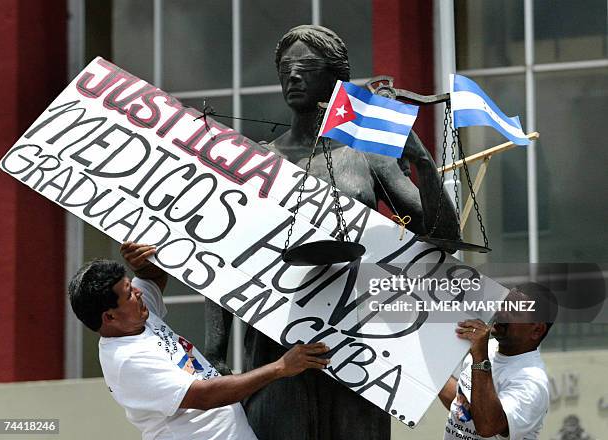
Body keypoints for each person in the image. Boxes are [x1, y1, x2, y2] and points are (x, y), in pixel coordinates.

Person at [205, 24, 460, 440]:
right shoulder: (258, 162)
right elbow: (225, 258)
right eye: (285, 69)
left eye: (306, 67)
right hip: (278, 342)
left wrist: (422, 163)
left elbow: (442, 235)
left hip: (354, 341)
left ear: (336, 78)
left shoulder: (365, 156)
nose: (293, 77)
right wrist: (215, 352)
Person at [68, 241, 331, 440]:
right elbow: (204, 395)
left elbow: (152, 279)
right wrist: (280, 368)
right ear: (109, 317)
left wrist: (142, 265)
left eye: (131, 284)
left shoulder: (135, 317)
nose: (137, 291)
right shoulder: (127, 361)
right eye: (129, 293)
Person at [439, 282, 558, 440]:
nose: (501, 311)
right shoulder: (487, 348)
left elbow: (488, 426)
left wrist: (480, 357)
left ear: (536, 330)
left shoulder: (533, 382)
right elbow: (463, 406)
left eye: (513, 310)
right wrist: (423, 368)